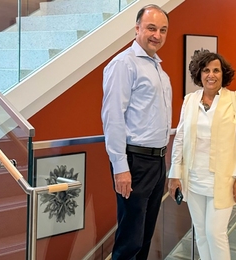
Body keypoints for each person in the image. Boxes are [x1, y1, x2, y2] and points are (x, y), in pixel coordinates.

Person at [168, 50, 236, 260]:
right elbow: (180, 139)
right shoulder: (189, 101)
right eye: (206, 70)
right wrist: (174, 174)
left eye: (216, 70)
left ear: (223, 74)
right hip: (194, 179)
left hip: (223, 180)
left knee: (216, 234)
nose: (211, 75)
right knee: (201, 233)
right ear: (199, 74)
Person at [101, 4, 171, 260]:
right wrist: (120, 166)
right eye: (151, 28)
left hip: (157, 161)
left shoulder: (157, 69)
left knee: (144, 237)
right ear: (137, 28)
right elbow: (113, 118)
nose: (157, 35)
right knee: (130, 241)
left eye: (163, 30)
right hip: (134, 162)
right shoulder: (123, 64)